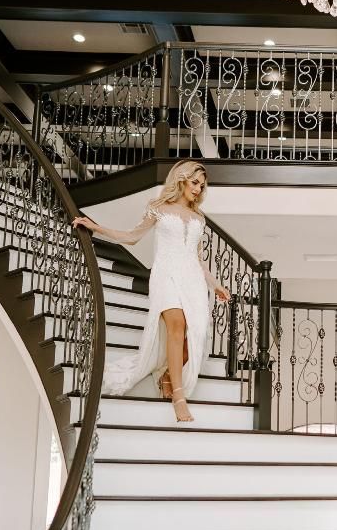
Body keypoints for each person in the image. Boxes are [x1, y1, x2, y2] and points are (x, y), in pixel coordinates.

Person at [73, 160, 230, 423]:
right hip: (165, 275)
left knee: (197, 335)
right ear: (181, 180)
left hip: (192, 278)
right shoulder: (157, 208)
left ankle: (168, 375)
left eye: (202, 185)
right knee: (176, 326)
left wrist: (215, 285)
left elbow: (198, 258)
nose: (198, 189)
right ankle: (179, 399)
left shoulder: (198, 218)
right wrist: (96, 227)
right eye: (194, 183)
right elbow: (132, 237)